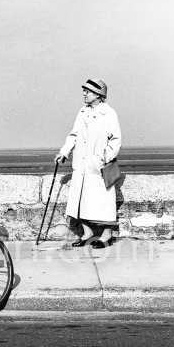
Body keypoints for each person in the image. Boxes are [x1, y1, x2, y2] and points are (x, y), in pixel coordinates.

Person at [55, 79, 122, 249]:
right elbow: (74, 135)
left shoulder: (109, 114)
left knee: (104, 200)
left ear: (99, 95)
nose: (84, 93)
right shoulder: (82, 112)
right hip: (82, 165)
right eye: (84, 90)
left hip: (99, 166)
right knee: (80, 198)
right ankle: (87, 233)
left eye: (88, 91)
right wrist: (65, 151)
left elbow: (115, 140)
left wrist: (102, 158)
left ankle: (107, 235)